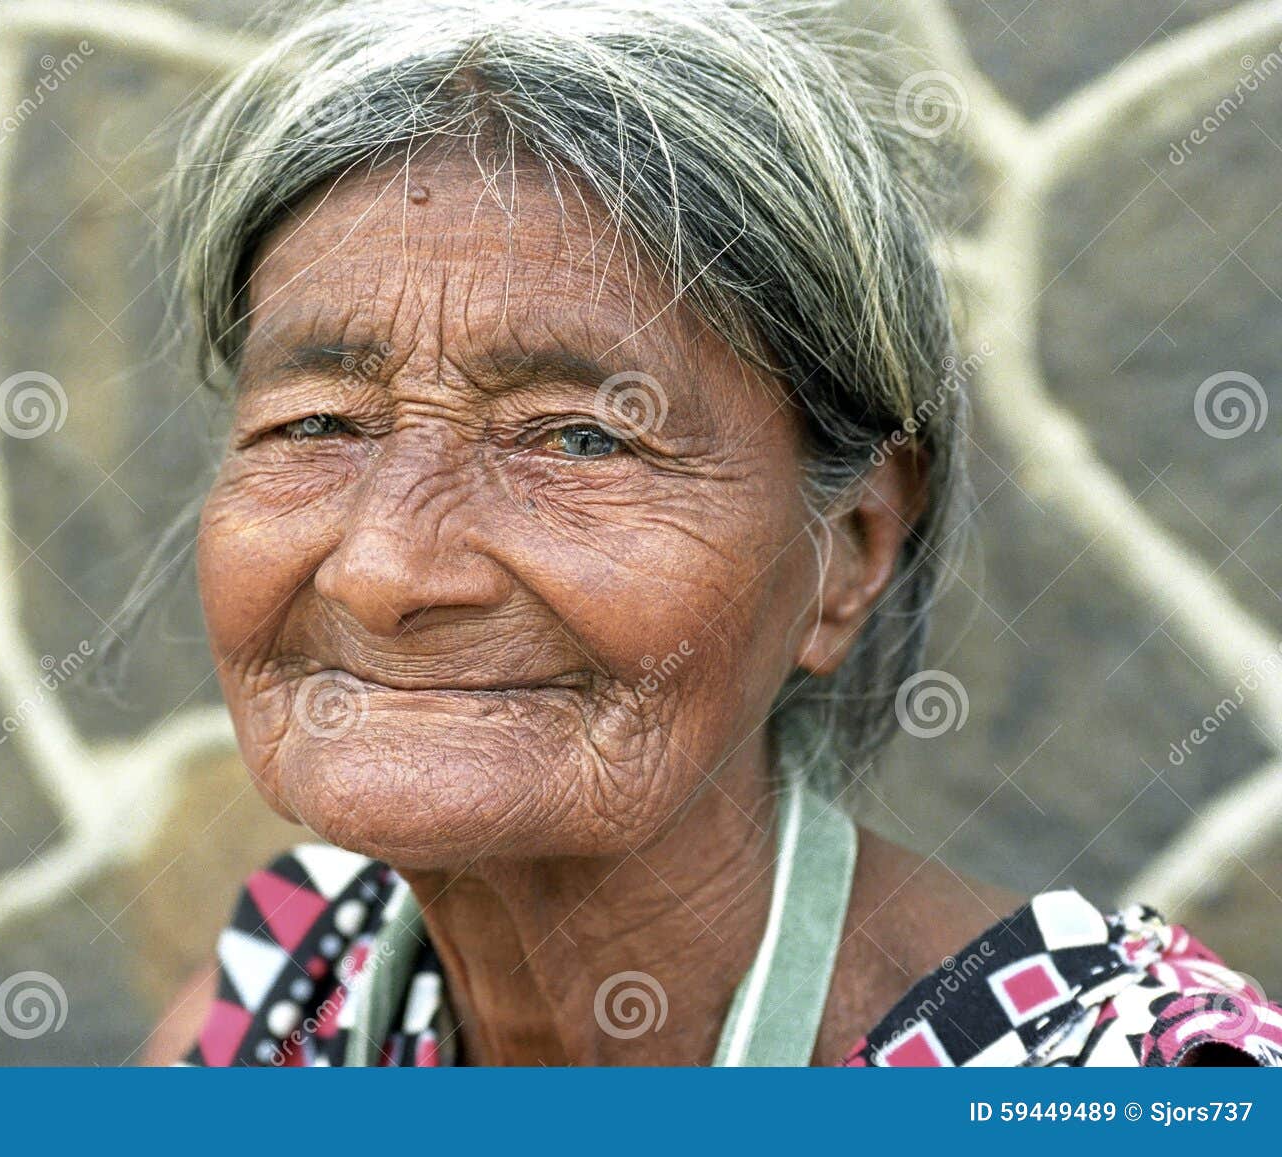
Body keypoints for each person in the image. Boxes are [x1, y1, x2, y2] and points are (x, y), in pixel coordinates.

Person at [153, 0, 1281, 1066]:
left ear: (848, 548)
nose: (385, 568)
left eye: (579, 441)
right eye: (315, 423)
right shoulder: (273, 1003)